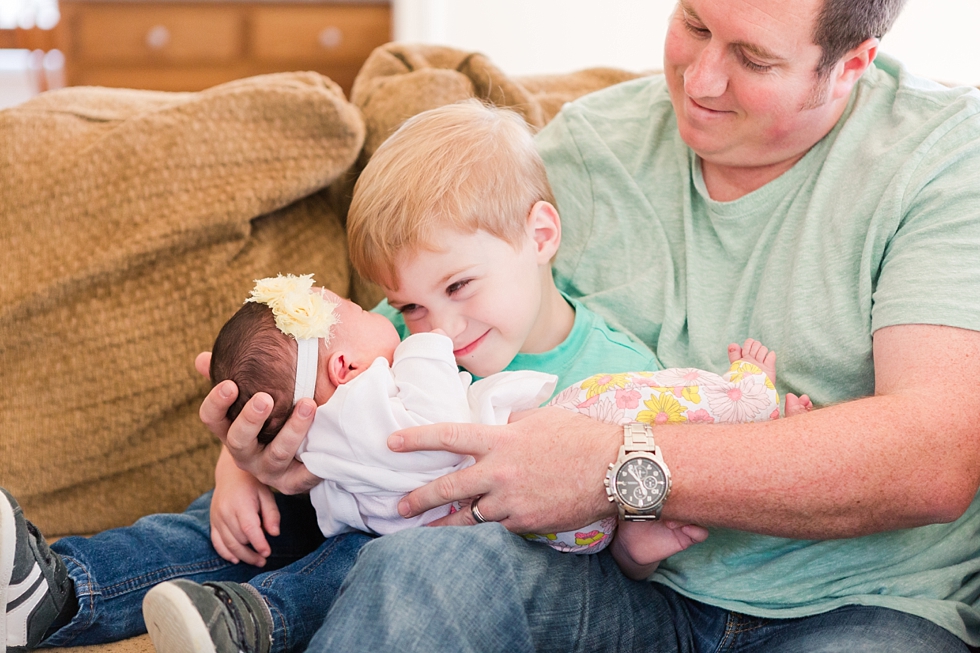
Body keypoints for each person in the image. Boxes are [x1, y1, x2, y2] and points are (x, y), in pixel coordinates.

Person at [201, 0, 980, 651]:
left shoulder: (943, 160)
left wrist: (613, 465)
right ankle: (84, 583)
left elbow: (934, 457)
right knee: (418, 562)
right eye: (695, 24)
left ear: (850, 64)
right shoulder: (591, 146)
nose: (700, 80)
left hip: (861, 606)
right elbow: (401, 325)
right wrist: (271, 439)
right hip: (621, 588)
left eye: (753, 57)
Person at [1, 100, 665, 653]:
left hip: (449, 554)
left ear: (541, 235)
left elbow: (620, 544)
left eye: (459, 285)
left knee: (378, 557)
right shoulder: (403, 331)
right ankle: (55, 588)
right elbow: (300, 395)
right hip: (342, 505)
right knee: (234, 518)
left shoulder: (615, 373)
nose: (438, 325)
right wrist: (238, 471)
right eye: (409, 303)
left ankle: (247, 618)